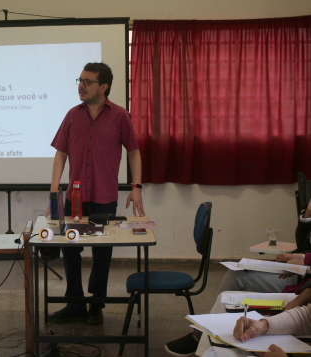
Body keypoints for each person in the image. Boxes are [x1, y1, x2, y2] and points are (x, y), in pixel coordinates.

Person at [45, 62, 145, 325]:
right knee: (70, 250)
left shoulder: (120, 116)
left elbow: (134, 152)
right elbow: (60, 155)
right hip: (74, 199)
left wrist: (136, 187)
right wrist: (54, 194)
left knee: (102, 252)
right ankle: (75, 303)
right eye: (80, 80)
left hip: (104, 197)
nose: (81, 85)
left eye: (87, 82)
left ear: (104, 86)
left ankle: (97, 304)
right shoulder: (71, 116)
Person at [165, 199, 311, 356]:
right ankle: (202, 336)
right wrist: (262, 325)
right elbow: (304, 243)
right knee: (228, 291)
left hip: (303, 282)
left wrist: (305, 265)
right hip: (303, 275)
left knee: (233, 288)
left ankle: (201, 337)